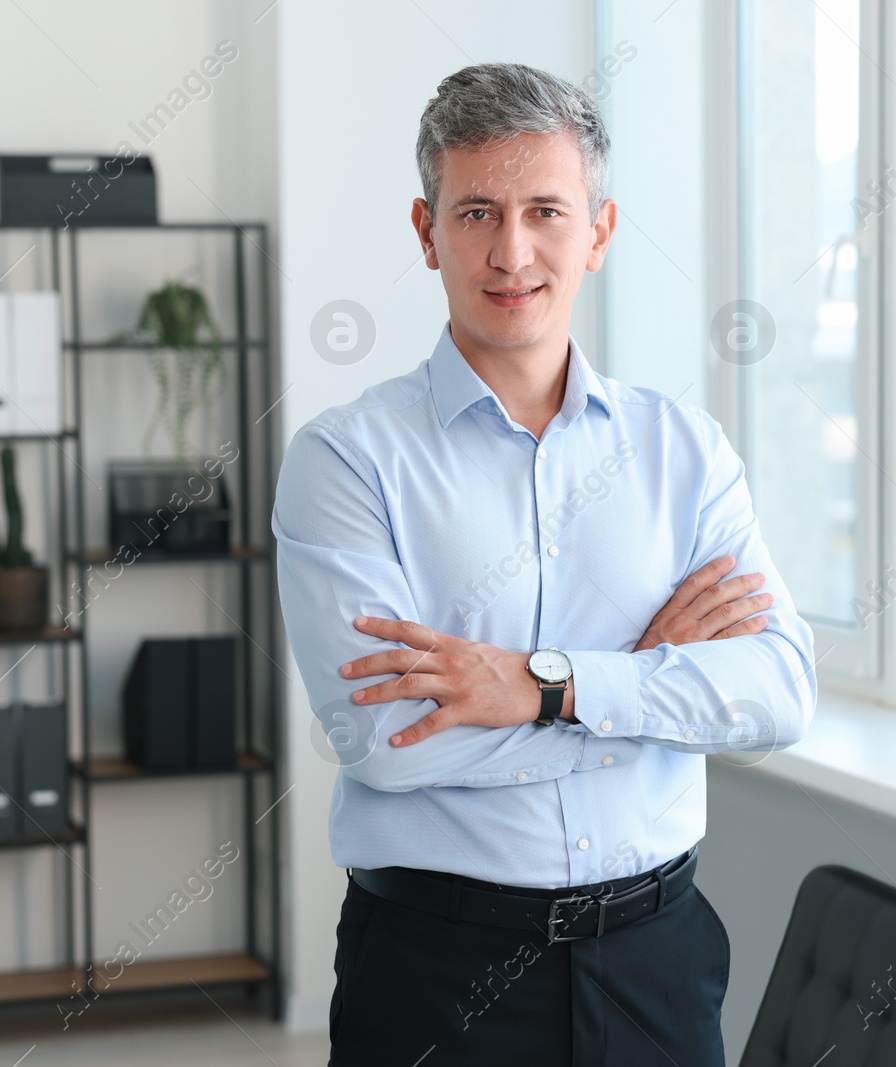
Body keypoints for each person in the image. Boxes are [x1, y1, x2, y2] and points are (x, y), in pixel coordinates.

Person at [272, 61, 818, 1067]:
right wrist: (646, 688)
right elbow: (393, 741)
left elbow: (780, 691)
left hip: (658, 962)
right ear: (425, 230)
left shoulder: (682, 451)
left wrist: (538, 684)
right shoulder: (345, 460)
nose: (511, 250)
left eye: (545, 210)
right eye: (476, 210)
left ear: (598, 232)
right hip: (437, 974)